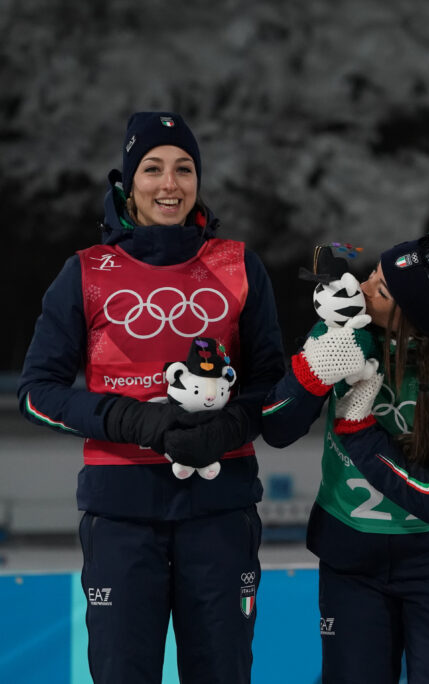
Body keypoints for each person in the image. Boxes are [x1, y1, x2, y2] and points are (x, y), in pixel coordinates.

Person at [17, 111, 285, 683]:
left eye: (184, 168)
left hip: (220, 509)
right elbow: (38, 394)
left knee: (222, 672)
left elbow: (270, 383)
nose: (170, 183)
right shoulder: (86, 272)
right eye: (153, 168)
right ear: (127, 181)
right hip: (121, 514)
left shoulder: (237, 266)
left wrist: (226, 429)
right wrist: (131, 419)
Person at [260, 233, 429, 683]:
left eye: (383, 290)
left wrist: (360, 432)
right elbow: (275, 429)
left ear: (420, 317)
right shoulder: (341, 331)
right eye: (373, 274)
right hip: (352, 560)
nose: (362, 288)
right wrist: (308, 376)